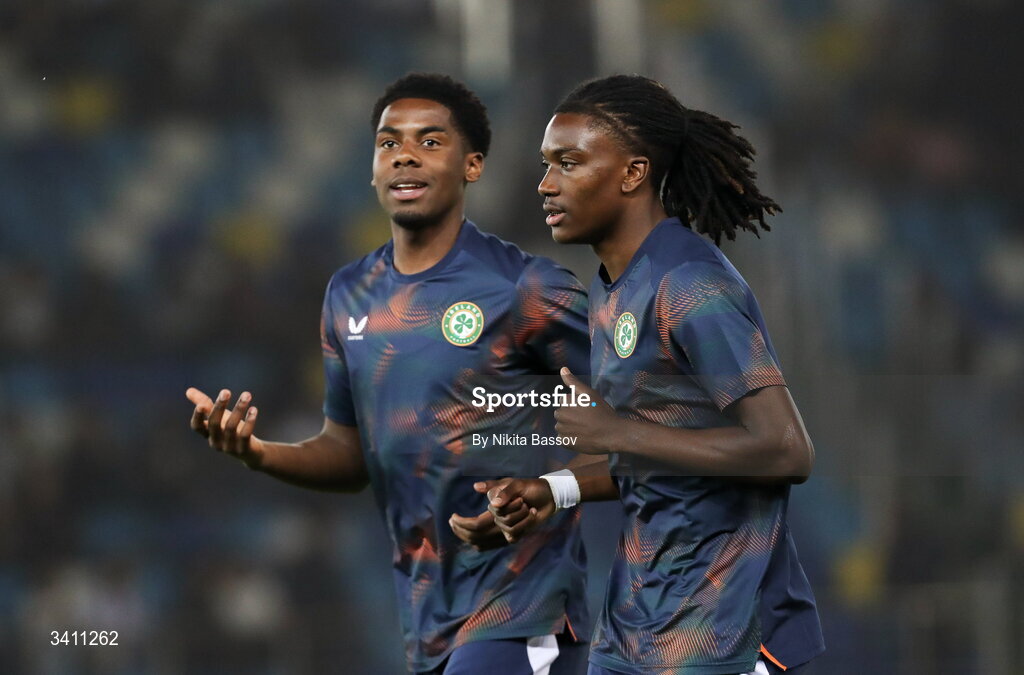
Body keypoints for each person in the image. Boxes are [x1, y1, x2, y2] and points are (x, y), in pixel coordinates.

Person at [185, 73, 592, 675]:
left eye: (430, 141)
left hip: (523, 607)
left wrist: (552, 488)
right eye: (388, 142)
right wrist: (257, 452)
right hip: (427, 620)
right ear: (373, 169)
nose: (404, 154)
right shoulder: (349, 293)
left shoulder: (527, 288)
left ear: (473, 165)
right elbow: (349, 455)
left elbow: (635, 420)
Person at [486, 75, 825, 675]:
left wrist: (616, 433)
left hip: (723, 633)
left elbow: (786, 449)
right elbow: (660, 455)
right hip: (638, 626)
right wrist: (553, 489)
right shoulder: (614, 285)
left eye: (569, 163)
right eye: (546, 165)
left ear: (633, 173)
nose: (546, 184)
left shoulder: (690, 284)